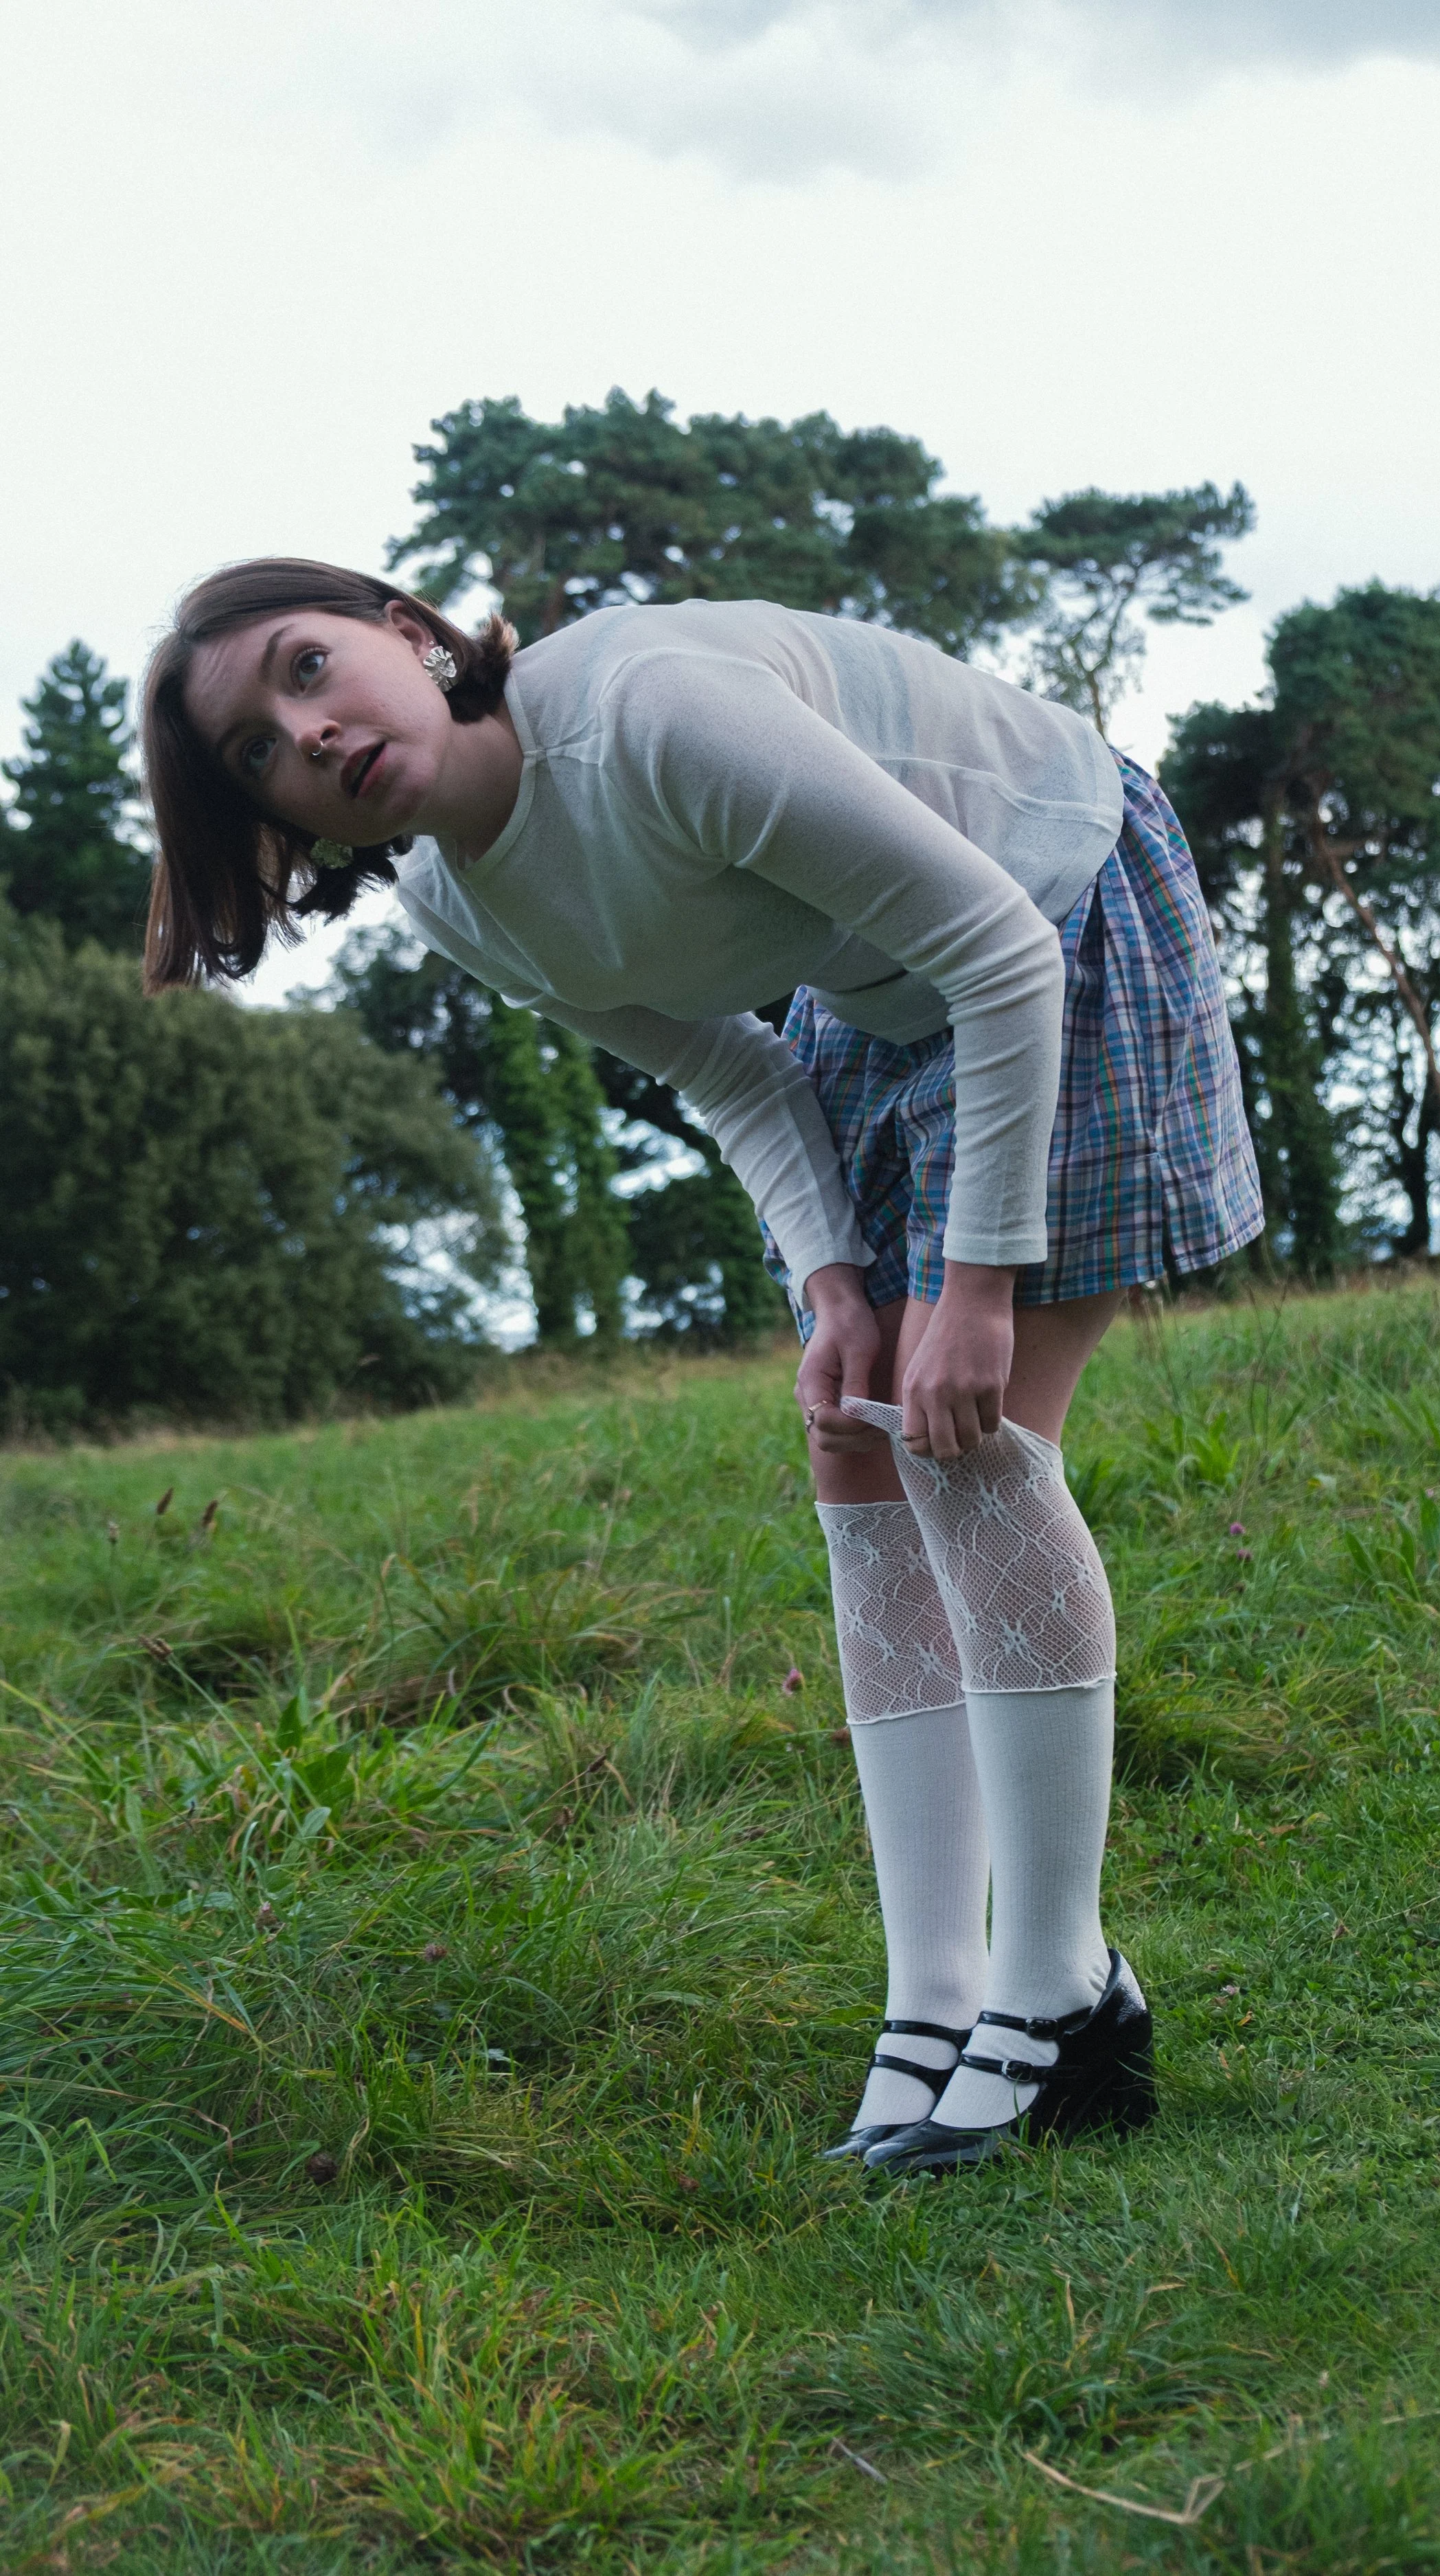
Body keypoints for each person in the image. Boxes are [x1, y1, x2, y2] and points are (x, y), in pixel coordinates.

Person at [141, 558, 1263, 2178]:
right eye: (254, 748)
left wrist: (971, 1285)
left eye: (310, 668)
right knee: (853, 1435)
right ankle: (935, 1996)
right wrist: (833, 1292)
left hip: (1049, 900)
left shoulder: (648, 717)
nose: (306, 733)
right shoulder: (459, 900)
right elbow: (735, 1077)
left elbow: (1000, 949)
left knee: (970, 1436)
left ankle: (1061, 1988)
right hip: (878, 996)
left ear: (406, 633)